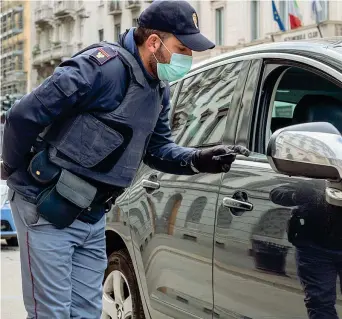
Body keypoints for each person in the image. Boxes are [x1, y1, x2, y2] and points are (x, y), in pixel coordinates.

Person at [1, 1, 250, 318]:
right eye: (182, 48)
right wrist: (11, 167)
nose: (188, 58)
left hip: (92, 216)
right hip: (45, 206)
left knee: (86, 312)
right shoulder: (100, 68)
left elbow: (158, 150)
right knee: (51, 314)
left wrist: (201, 159)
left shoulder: (158, 88)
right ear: (154, 42)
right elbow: (22, 115)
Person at [270, 181, 342, 319]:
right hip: (314, 249)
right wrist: (296, 196)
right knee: (320, 302)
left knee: (320, 302)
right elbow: (276, 193)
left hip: (315, 249)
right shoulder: (318, 176)